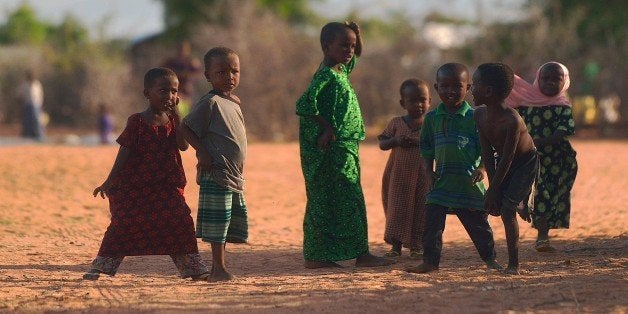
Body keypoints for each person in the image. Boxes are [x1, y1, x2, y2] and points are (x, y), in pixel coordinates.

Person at [83, 68, 210, 281]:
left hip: (166, 186)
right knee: (123, 224)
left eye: (174, 91)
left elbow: (183, 146)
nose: (169, 96)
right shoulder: (137, 122)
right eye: (162, 90)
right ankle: (102, 266)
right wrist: (109, 180)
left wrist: (177, 117)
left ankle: (193, 269)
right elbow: (124, 152)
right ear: (147, 93)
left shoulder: (174, 121)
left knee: (180, 222)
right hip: (136, 187)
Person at [296, 21, 393, 269]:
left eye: (351, 46)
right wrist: (327, 128)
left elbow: (357, 54)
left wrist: (358, 36)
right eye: (344, 45)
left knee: (348, 197)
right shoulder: (326, 74)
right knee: (334, 197)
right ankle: (321, 256)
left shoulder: (341, 69)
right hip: (333, 150)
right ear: (327, 47)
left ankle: (358, 252)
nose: (350, 50)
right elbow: (305, 105)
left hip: (346, 146)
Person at [406, 63, 501, 274]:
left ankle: (490, 259)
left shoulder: (476, 117)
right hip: (440, 182)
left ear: (468, 88)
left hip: (468, 183)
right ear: (436, 87)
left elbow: (488, 148)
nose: (450, 91)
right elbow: (426, 148)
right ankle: (430, 262)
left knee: (478, 226)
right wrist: (428, 172)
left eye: (457, 86)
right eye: (444, 86)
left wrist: (483, 169)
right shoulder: (431, 119)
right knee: (432, 225)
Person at [178, 47, 248, 282]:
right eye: (221, 72)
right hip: (217, 171)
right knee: (218, 224)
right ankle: (218, 268)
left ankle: (221, 266)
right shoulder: (210, 102)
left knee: (225, 222)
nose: (229, 77)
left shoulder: (234, 102)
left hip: (232, 174)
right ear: (208, 76)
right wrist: (203, 152)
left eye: (234, 71)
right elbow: (185, 127)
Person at [472, 63, 539, 274]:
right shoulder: (479, 115)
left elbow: (509, 158)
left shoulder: (512, 120)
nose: (470, 89)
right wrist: (493, 188)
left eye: (474, 84)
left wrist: (494, 191)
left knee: (507, 210)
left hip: (525, 162)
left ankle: (514, 264)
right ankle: (518, 199)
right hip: (501, 160)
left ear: (488, 91)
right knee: (499, 201)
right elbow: (487, 152)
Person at [506, 61, 578, 253]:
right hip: (528, 157)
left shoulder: (562, 105)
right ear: (538, 78)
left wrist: (537, 142)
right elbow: (513, 120)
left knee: (547, 195)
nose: (550, 82)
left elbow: (563, 131)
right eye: (545, 78)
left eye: (556, 79)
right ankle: (531, 220)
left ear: (565, 81)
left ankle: (542, 236)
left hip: (556, 160)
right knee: (528, 192)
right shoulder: (526, 100)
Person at [378, 78, 431, 259]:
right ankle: (396, 246)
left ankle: (417, 246)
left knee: (421, 210)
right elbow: (382, 143)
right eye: (412, 100)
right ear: (403, 103)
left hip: (422, 176)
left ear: (429, 101)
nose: (418, 104)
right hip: (398, 176)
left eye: (422, 100)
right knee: (397, 209)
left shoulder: (430, 124)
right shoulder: (396, 123)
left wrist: (419, 142)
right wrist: (395, 141)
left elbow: (436, 145)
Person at [162, 40, 202, 117]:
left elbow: (197, 74)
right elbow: (161, 72)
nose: (182, 51)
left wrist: (187, 75)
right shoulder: (170, 62)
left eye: (184, 49)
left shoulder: (191, 62)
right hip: (173, 92)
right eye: (180, 49)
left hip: (186, 92)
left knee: (184, 114)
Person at [19, 69, 45, 141]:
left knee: (37, 120)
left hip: (36, 104)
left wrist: (41, 106)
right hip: (27, 104)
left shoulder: (37, 84)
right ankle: (28, 136)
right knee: (27, 121)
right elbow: (21, 96)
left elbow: (40, 95)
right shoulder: (24, 85)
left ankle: (39, 136)